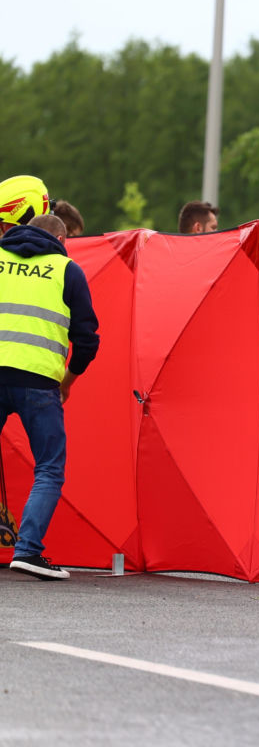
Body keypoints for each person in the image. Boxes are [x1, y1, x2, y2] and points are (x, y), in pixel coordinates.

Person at [0, 205, 99, 580]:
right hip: (39, 382)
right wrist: (67, 383)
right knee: (49, 468)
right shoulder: (66, 270)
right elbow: (87, 339)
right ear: (61, 240)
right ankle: (27, 550)